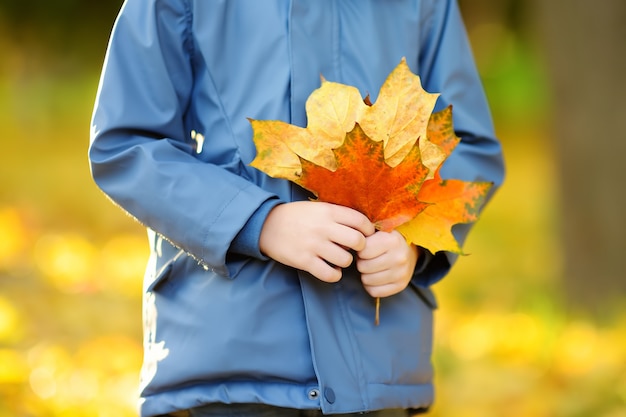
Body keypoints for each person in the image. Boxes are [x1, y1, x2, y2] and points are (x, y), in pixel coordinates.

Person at [89, 1, 505, 416]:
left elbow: (463, 145)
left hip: (376, 363)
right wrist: (256, 222)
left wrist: (413, 241)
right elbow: (129, 145)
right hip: (229, 358)